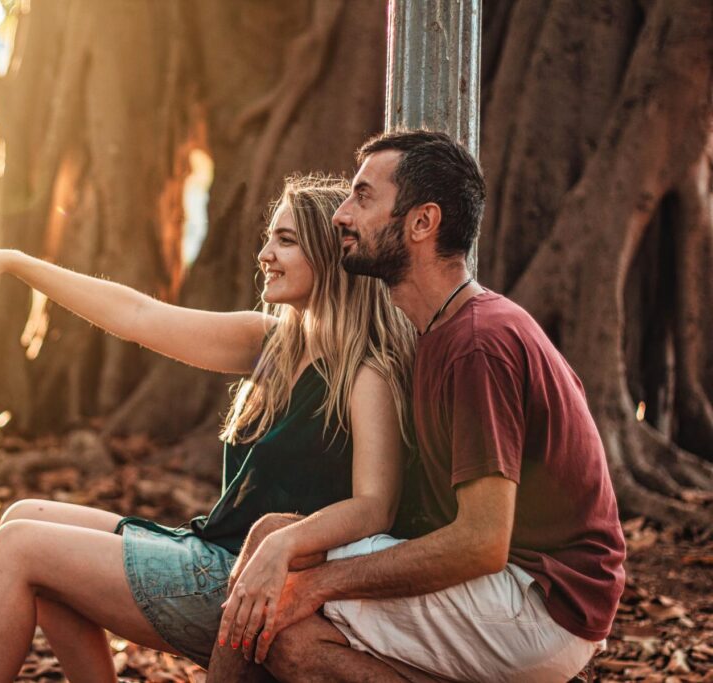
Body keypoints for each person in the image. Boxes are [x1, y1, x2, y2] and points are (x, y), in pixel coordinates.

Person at [0, 173, 417, 682]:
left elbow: (376, 505)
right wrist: (17, 264)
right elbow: (138, 315)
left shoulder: (364, 372)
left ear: (332, 258)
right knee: (25, 515)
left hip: (248, 584)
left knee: (22, 548)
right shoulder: (274, 344)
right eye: (270, 237)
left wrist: (280, 546)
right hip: (213, 553)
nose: (265, 254)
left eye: (285, 241)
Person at [210, 131, 627, 683]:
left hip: (542, 605)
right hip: (516, 593)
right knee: (294, 642)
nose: (340, 216)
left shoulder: (479, 343)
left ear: (422, 223)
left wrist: (315, 584)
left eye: (362, 197)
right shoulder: (439, 332)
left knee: (281, 574)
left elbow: (481, 543)